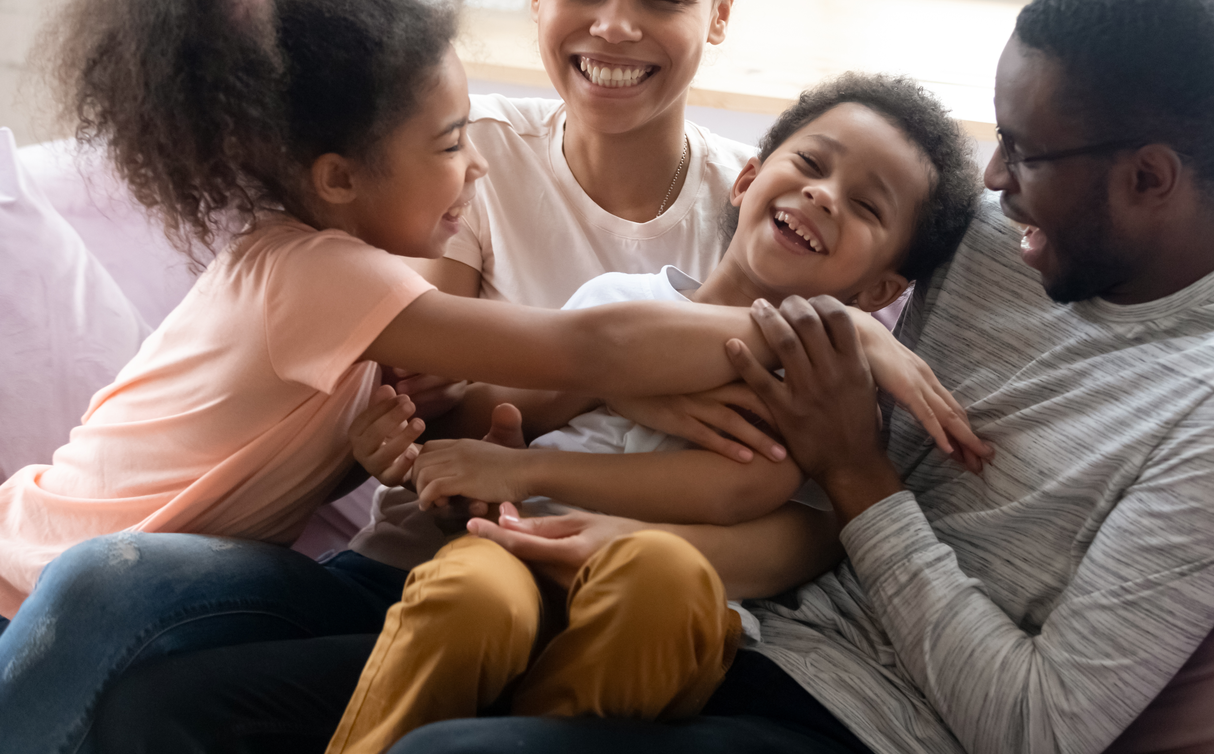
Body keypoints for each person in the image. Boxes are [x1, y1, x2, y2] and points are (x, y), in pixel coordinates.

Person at [0, 0, 961, 754]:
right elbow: (577, 357)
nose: (475, 171)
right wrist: (836, 329)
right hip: (55, 568)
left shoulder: (349, 283)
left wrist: (394, 448)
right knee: (120, 614)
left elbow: (611, 418)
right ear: (338, 177)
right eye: (452, 143)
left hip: (565, 598)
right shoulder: (327, 276)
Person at [354, 0, 1214, 754]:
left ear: (1149, 177)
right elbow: (751, 277)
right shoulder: (1008, 232)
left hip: (851, 719)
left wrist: (858, 472)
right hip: (713, 628)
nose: (994, 181)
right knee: (212, 676)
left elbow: (1041, 727)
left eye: (1025, 154)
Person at [324, 73, 982, 754]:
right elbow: (501, 414)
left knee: (659, 577)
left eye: (866, 206)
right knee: (470, 591)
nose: (822, 194)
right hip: (517, 552)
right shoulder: (622, 301)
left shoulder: (830, 402)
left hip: (658, 603)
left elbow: (746, 486)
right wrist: (449, 456)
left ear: (879, 290)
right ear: (746, 178)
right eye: (810, 165)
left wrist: (523, 470)